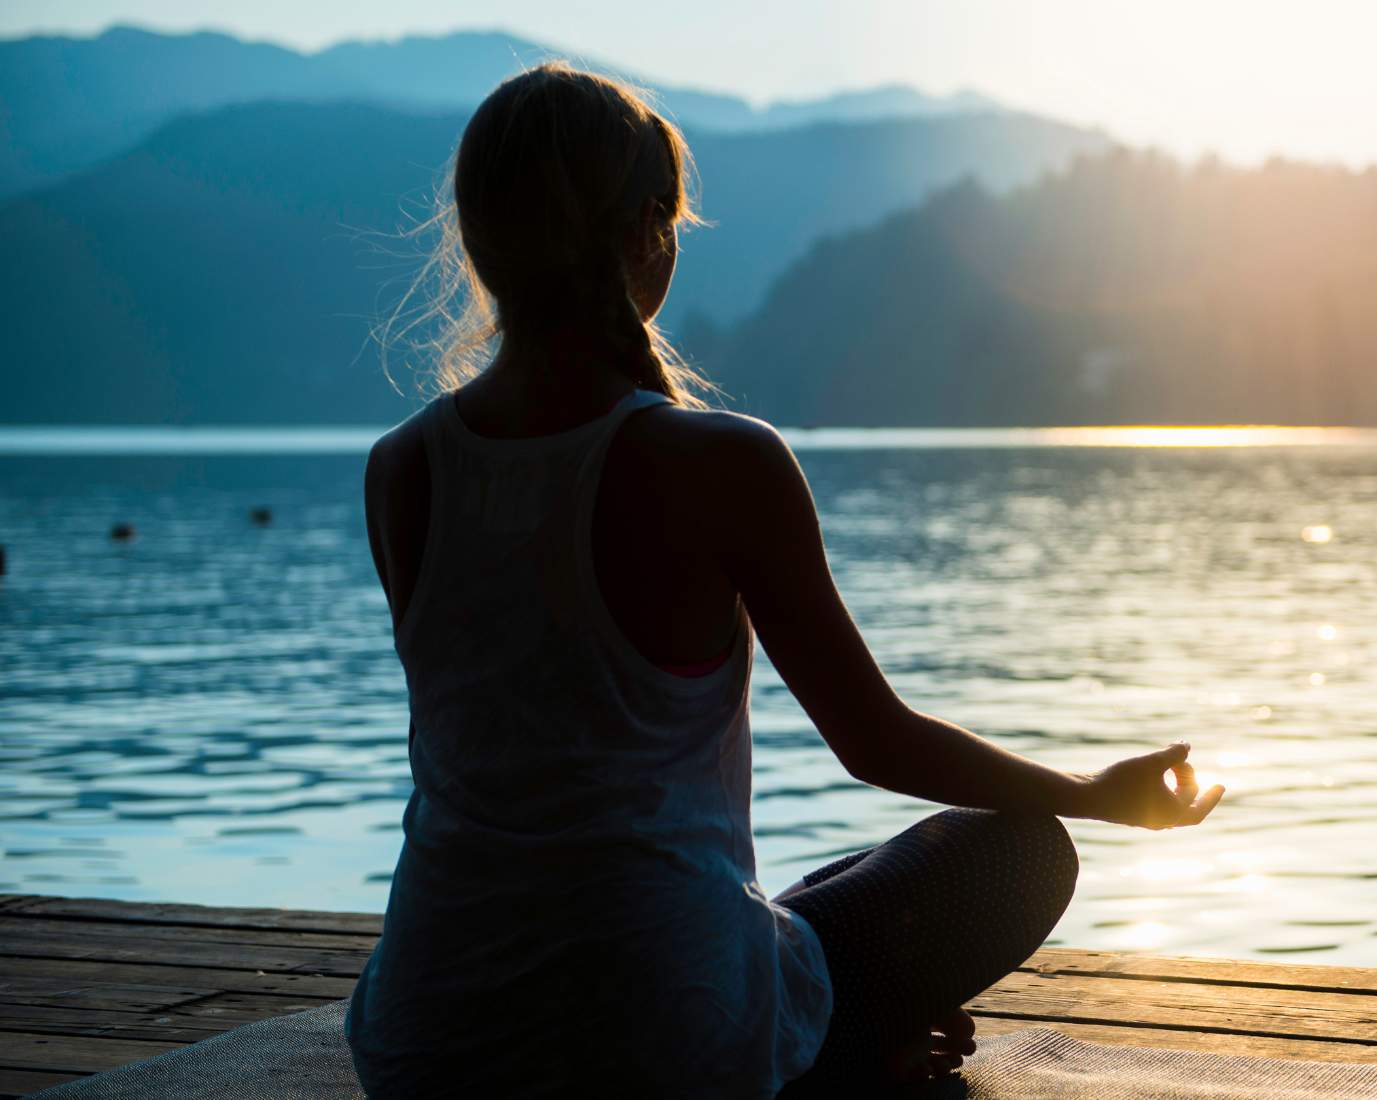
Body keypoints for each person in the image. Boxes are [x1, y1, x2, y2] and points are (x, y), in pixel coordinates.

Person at [345, 62, 1224, 1098]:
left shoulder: (402, 469)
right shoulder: (720, 460)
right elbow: (874, 741)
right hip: (658, 1040)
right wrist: (1093, 795)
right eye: (668, 218)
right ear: (643, 235)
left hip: (428, 1042)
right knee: (1019, 851)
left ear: (484, 246)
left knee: (791, 899)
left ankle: (817, 1011)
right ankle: (835, 1039)